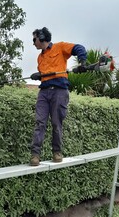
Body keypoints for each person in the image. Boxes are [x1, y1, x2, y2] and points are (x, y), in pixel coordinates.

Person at [29, 27, 87, 166]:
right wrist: (38, 76)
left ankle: (57, 152)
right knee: (40, 122)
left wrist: (82, 62)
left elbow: (79, 48)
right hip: (44, 92)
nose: (33, 43)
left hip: (59, 91)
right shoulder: (40, 57)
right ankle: (35, 154)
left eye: (34, 39)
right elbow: (45, 74)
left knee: (56, 123)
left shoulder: (60, 47)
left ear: (42, 37)